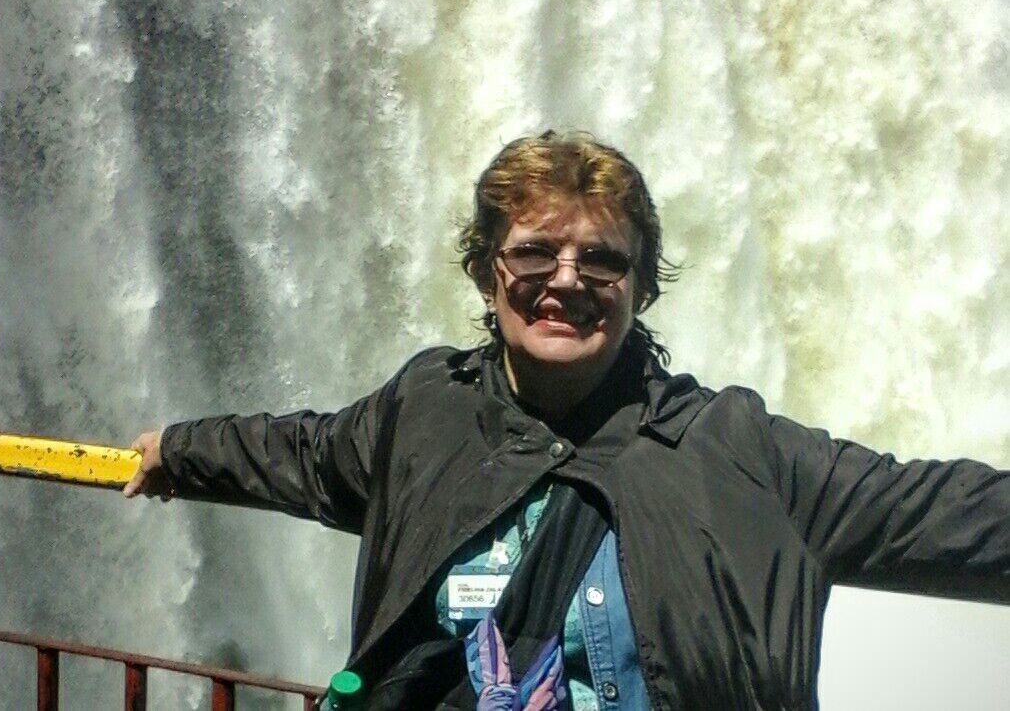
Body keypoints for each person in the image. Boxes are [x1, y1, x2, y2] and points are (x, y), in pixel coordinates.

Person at [125, 131, 1010, 710]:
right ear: (488, 273)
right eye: (534, 251)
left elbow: (932, 509)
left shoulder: (736, 450)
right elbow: (306, 452)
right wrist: (175, 450)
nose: (566, 279)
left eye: (602, 259)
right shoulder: (426, 409)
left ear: (641, 287)